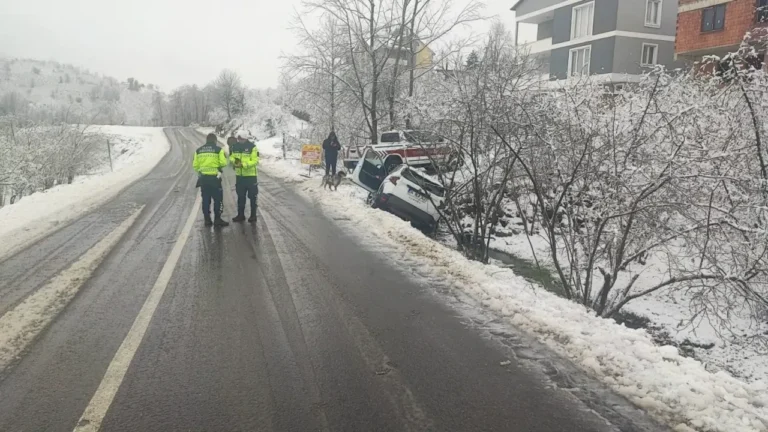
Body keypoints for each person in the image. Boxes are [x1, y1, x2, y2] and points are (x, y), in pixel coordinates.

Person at [193, 133, 229, 227]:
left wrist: (202, 171)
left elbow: (195, 166)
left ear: (206, 140)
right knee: (218, 200)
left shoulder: (198, 151)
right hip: (215, 179)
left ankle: (207, 220)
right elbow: (223, 163)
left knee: (205, 200)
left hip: (204, 179)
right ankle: (217, 219)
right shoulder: (218, 150)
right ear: (215, 141)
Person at [230, 130, 259, 222]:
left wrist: (244, 165)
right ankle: (240, 215)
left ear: (245, 138)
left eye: (241, 138)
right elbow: (231, 157)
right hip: (240, 176)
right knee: (240, 196)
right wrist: (235, 162)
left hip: (250, 176)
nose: (239, 140)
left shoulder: (252, 147)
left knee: (252, 197)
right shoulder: (235, 146)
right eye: (238, 138)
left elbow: (255, 161)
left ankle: (253, 216)